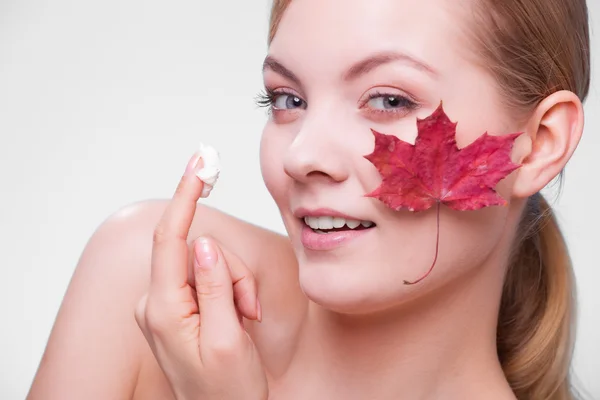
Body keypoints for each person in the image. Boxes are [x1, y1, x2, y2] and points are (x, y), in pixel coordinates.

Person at [27, 0, 590, 399]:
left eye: (389, 99)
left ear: (540, 145)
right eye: (288, 98)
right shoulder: (151, 286)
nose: (301, 155)